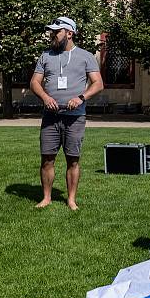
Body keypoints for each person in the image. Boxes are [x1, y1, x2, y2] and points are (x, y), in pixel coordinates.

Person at [29, 16, 104, 210]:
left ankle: (71, 200)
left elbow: (98, 83)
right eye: (52, 31)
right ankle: (46, 198)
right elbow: (34, 82)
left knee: (73, 159)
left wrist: (81, 97)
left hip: (75, 117)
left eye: (57, 31)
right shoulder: (46, 56)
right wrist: (46, 98)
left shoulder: (86, 56)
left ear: (69, 33)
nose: (52, 35)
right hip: (50, 117)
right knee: (47, 158)